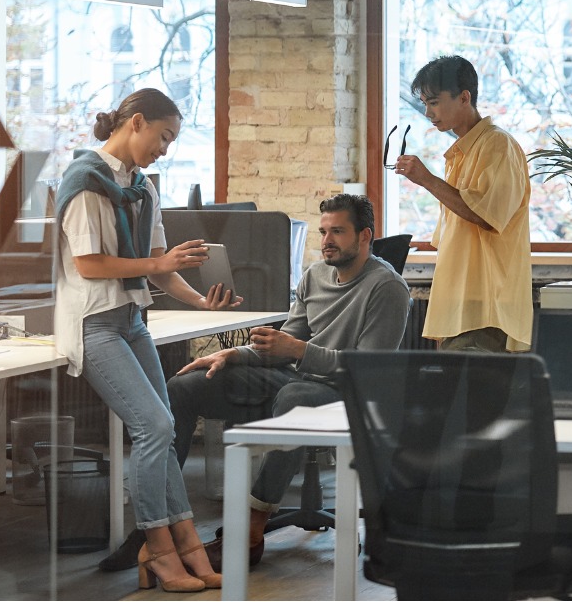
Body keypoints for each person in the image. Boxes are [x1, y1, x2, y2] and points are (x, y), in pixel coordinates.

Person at [54, 88, 240, 592]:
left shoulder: (141, 187)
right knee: (155, 425)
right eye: (164, 137)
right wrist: (159, 264)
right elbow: (90, 266)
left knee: (165, 426)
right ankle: (157, 549)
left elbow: (159, 265)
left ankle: (187, 544)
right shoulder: (85, 181)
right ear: (136, 122)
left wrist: (200, 301)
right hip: (93, 323)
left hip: (132, 320)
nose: (166, 148)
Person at [165, 193, 410, 568]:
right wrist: (233, 355)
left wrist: (297, 350)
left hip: (348, 391)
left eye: (338, 232)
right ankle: (165, 524)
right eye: (324, 231)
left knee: (294, 398)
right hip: (294, 378)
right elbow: (283, 345)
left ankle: (251, 526)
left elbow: (369, 368)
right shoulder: (315, 275)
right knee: (184, 386)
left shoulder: (387, 288)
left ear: (364, 236)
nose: (327, 240)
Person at [392, 55, 532, 353]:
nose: (428, 112)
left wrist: (427, 180)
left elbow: (486, 215)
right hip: (461, 304)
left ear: (464, 97)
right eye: (425, 103)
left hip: (485, 304)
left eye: (434, 102)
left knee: (471, 397)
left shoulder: (497, 145)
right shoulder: (461, 152)